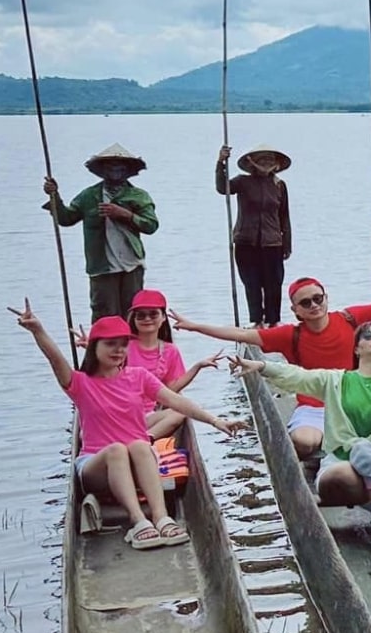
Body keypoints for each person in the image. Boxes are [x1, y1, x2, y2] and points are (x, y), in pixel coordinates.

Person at [12, 301, 242, 549]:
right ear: (94, 347)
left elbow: (176, 401)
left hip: (137, 460)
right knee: (117, 450)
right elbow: (55, 359)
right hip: (96, 466)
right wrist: (38, 330)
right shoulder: (80, 383)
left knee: (141, 445)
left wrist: (216, 420)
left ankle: (162, 517)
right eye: (110, 344)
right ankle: (138, 520)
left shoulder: (138, 377)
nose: (118, 350)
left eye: (123, 345)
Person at [172, 267, 371, 459]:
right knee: (304, 442)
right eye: (306, 302)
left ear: (326, 299)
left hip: (350, 403)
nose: (314, 305)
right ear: (296, 310)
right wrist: (195, 327)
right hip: (312, 406)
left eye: (318, 298)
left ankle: (338, 448)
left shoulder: (348, 318)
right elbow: (242, 334)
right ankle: (331, 449)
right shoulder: (290, 334)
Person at [231, 325, 371, 560]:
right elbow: (298, 376)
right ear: (356, 349)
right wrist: (262, 366)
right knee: (351, 466)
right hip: (339, 471)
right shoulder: (335, 380)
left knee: (370, 456)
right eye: (368, 335)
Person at [43, 143, 159, 322]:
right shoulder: (89, 196)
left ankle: (133, 348)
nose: (114, 170)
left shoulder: (138, 196)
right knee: (105, 314)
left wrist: (125, 214)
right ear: (102, 170)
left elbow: (151, 225)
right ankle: (101, 348)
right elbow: (66, 218)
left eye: (119, 166)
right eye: (109, 166)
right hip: (101, 266)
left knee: (133, 313)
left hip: (131, 264)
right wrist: (54, 196)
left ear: (127, 170)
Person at [124, 289, 224, 440]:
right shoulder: (123, 347)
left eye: (153, 314)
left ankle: (145, 440)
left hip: (147, 417)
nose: (147, 319)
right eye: (141, 315)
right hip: (122, 413)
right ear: (134, 319)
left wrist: (197, 367)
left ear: (163, 317)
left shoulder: (170, 351)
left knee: (180, 412)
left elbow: (170, 390)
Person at [216, 143, 293, 327]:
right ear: (253, 163)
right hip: (246, 241)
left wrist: (287, 244)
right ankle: (257, 321)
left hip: (273, 242)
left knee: (273, 284)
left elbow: (284, 216)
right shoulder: (242, 182)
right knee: (252, 283)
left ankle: (273, 321)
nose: (266, 163)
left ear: (276, 164)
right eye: (262, 159)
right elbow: (222, 188)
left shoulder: (279, 185)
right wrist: (221, 163)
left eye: (269, 160)